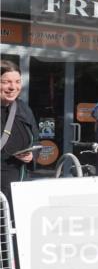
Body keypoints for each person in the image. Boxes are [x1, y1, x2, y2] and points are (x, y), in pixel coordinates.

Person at [1, 61, 38, 220]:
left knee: (16, 232)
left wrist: (32, 156)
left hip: (20, 184)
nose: (13, 87)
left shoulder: (23, 108)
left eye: (17, 82)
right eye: (6, 82)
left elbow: (36, 139)